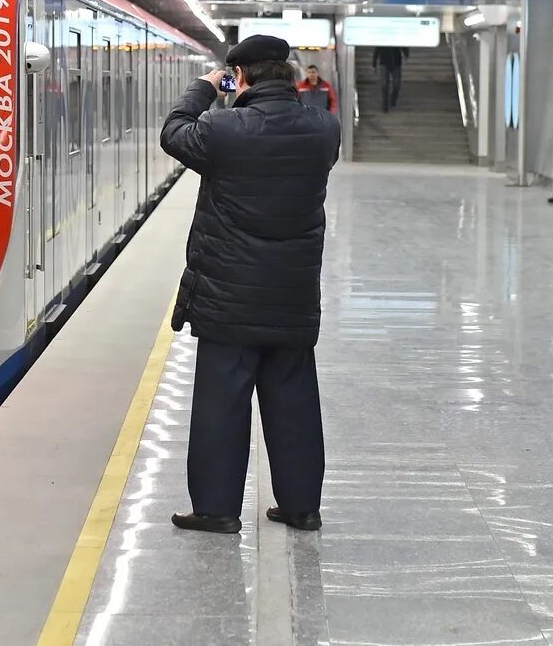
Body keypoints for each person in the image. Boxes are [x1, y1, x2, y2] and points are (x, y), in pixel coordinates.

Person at [161, 34, 341, 534]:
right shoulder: (325, 128)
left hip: (228, 296)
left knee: (222, 405)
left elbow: (174, 131)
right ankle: (302, 507)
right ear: (287, 73)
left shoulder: (223, 129)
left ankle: (217, 510)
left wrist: (203, 89)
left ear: (238, 77)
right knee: (296, 405)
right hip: (294, 296)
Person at [372, 46, 408, 112]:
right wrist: (374, 63)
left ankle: (393, 98)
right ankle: (385, 104)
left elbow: (403, 43)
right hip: (384, 62)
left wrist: (406, 54)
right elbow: (377, 48)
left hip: (396, 62)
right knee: (384, 85)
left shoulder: (397, 36)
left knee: (396, 84)